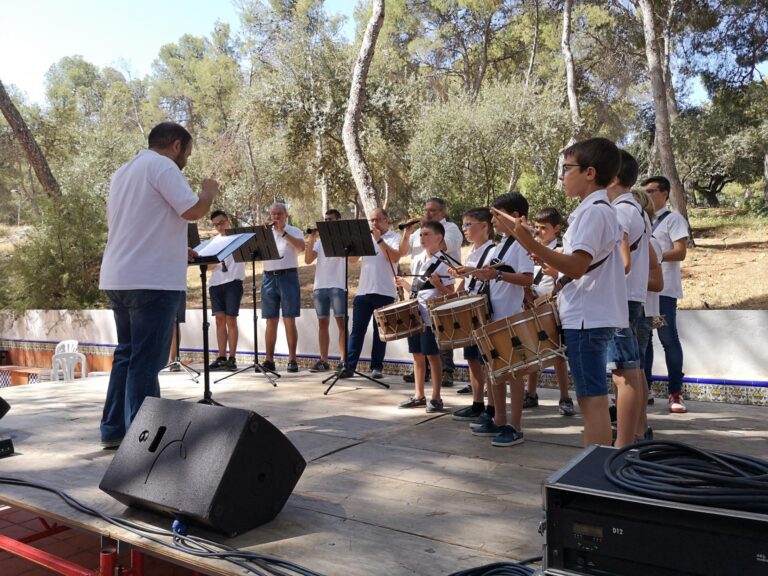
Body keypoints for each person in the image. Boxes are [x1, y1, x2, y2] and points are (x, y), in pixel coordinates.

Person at [99, 121, 218, 449]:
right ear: (176, 145)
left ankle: (113, 430)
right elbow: (193, 210)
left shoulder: (123, 172)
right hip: (152, 282)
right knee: (146, 362)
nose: (187, 161)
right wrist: (208, 191)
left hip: (119, 276)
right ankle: (142, 444)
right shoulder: (163, 166)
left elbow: (139, 223)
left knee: (127, 355)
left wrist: (177, 248)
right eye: (188, 154)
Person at [501, 138, 626, 447]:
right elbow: (579, 265)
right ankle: (593, 464)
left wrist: (527, 242)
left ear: (589, 172)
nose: (562, 176)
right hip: (589, 314)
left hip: (587, 317)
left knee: (591, 399)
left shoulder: (593, 212)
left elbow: (577, 267)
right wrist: (543, 256)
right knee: (590, 396)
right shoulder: (595, 210)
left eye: (567, 168)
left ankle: (593, 470)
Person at [465, 192, 534, 447]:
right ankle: (499, 419)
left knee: (514, 375)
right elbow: (496, 273)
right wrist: (476, 272)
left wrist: (499, 276)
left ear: (514, 216)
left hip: (511, 317)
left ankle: (515, 426)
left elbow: (527, 279)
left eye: (496, 216)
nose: (493, 221)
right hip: (495, 317)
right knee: (496, 373)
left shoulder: (521, 244)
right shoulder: (503, 244)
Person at [606, 151, 650, 446]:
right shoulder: (637, 209)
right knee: (634, 369)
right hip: (633, 298)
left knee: (623, 373)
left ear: (614, 177)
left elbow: (622, 262)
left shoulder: (620, 211)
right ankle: (640, 431)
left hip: (620, 300)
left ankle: (624, 442)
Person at [399, 197, 463, 387]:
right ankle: (420, 387)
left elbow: (442, 247)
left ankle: (446, 373)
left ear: (442, 212)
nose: (426, 214)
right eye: (425, 210)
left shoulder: (450, 229)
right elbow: (402, 251)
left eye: (432, 211)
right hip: (419, 304)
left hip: (437, 301)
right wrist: (408, 233)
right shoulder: (418, 248)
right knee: (419, 352)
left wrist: (430, 232)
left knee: (438, 347)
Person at [396, 221, 455, 412]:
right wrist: (404, 284)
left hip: (431, 317)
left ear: (439, 238)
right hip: (416, 315)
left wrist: (439, 286)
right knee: (417, 355)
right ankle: (419, 394)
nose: (422, 238)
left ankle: (436, 397)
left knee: (432, 356)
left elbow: (452, 294)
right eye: (420, 235)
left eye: (427, 234)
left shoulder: (445, 263)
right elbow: (417, 289)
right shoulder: (418, 260)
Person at [642, 175, 689, 413]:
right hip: (644, 291)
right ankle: (645, 389)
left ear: (665, 194)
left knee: (667, 339)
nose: (647, 195)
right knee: (645, 340)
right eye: (644, 191)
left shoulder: (674, 219)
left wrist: (653, 257)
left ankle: (675, 393)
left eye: (651, 191)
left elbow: (680, 252)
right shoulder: (642, 220)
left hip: (664, 292)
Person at [338, 208, 401, 379]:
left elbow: (394, 258)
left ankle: (377, 367)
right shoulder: (365, 238)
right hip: (364, 291)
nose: (374, 223)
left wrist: (379, 240)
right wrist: (350, 244)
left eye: (378, 219)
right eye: (372, 220)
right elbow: (352, 260)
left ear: (386, 220)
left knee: (380, 332)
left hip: (385, 290)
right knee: (357, 331)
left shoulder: (395, 237)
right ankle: (349, 367)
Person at [523, 207, 575, 417]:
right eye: (536, 228)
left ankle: (565, 397)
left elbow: (568, 279)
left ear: (556, 229)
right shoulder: (529, 250)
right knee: (533, 352)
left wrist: (554, 274)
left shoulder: (562, 250)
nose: (538, 232)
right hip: (533, 304)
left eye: (543, 228)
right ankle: (531, 393)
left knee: (558, 355)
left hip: (554, 307)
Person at [449, 208, 495, 421]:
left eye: (469, 225)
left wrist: (469, 271)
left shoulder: (493, 251)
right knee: (472, 360)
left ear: (484, 226)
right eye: (463, 225)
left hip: (485, 312)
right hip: (471, 311)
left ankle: (492, 408)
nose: (464, 229)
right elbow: (467, 282)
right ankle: (477, 403)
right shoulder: (473, 252)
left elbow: (491, 279)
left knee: (487, 362)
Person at [262, 203, 306, 373]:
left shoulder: (294, 231)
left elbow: (301, 248)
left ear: (286, 215)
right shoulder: (266, 232)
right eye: (273, 214)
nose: (275, 217)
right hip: (268, 277)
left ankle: (292, 359)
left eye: (279, 214)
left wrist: (282, 232)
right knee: (270, 320)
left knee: (289, 319)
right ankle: (269, 360)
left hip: (288, 276)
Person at [305, 209, 346, 372]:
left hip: (338, 285)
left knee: (341, 323)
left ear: (338, 221)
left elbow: (354, 259)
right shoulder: (319, 241)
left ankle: (344, 361)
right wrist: (312, 237)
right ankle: (323, 360)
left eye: (330, 220)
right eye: (325, 220)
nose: (327, 222)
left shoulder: (343, 238)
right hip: (320, 286)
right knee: (323, 323)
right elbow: (308, 260)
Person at [207, 210, 245, 371]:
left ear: (228, 220)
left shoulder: (239, 237)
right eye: (216, 225)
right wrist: (213, 261)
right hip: (215, 284)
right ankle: (221, 356)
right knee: (219, 320)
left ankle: (232, 358)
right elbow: (207, 267)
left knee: (231, 319)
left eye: (221, 223)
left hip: (233, 282)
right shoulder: (212, 242)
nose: (219, 227)